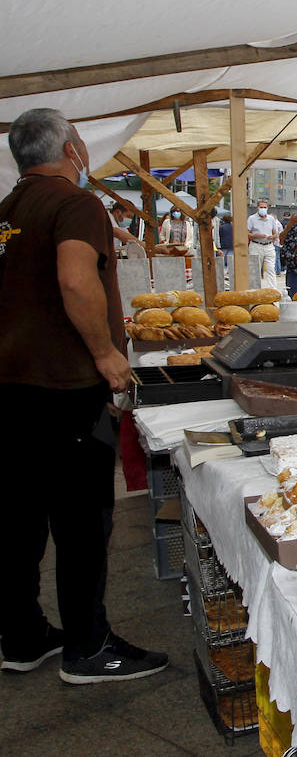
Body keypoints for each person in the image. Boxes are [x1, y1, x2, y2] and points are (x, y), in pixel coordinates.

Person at [0, 108, 167, 683]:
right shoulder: (75, 203)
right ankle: (88, 647)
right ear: (73, 148)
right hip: (64, 388)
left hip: (13, 388)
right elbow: (76, 278)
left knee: (20, 520)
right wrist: (104, 353)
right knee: (80, 521)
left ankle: (21, 636)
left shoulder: (9, 210)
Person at [246, 198, 282, 290]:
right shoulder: (252, 219)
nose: (263, 209)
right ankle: (255, 289)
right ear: (257, 207)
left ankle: (273, 289)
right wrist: (257, 235)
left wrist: (273, 237)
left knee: (271, 269)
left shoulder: (271, 219)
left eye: (264, 207)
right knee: (255, 269)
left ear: (267, 208)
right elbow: (247, 233)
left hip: (269, 245)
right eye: (261, 207)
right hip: (256, 245)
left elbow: (275, 233)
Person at [218, 211, 234, 286]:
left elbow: (219, 236)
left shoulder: (221, 227)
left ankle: (223, 275)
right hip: (231, 245)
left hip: (223, 245)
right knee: (230, 261)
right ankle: (229, 273)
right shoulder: (234, 227)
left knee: (222, 261)